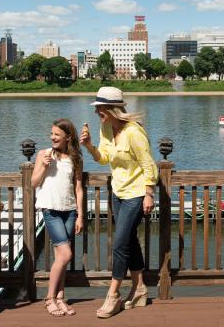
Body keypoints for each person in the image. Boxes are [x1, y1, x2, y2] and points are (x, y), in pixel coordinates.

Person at [79, 87, 158, 319]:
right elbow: (104, 157)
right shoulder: (105, 127)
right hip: (118, 192)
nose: (97, 113)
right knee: (130, 240)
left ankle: (113, 295)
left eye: (101, 108)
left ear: (113, 108)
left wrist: (149, 193)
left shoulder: (134, 132)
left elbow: (148, 165)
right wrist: (89, 146)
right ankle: (140, 289)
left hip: (135, 194)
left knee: (119, 244)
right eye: (97, 109)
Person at [31, 119, 85, 317]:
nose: (53, 137)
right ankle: (49, 298)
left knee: (60, 256)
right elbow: (33, 183)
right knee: (66, 255)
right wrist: (44, 167)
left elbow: (78, 188)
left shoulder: (76, 158)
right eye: (51, 134)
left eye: (57, 134)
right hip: (50, 209)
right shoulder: (44, 154)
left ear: (68, 137)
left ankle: (60, 297)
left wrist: (79, 215)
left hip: (69, 210)